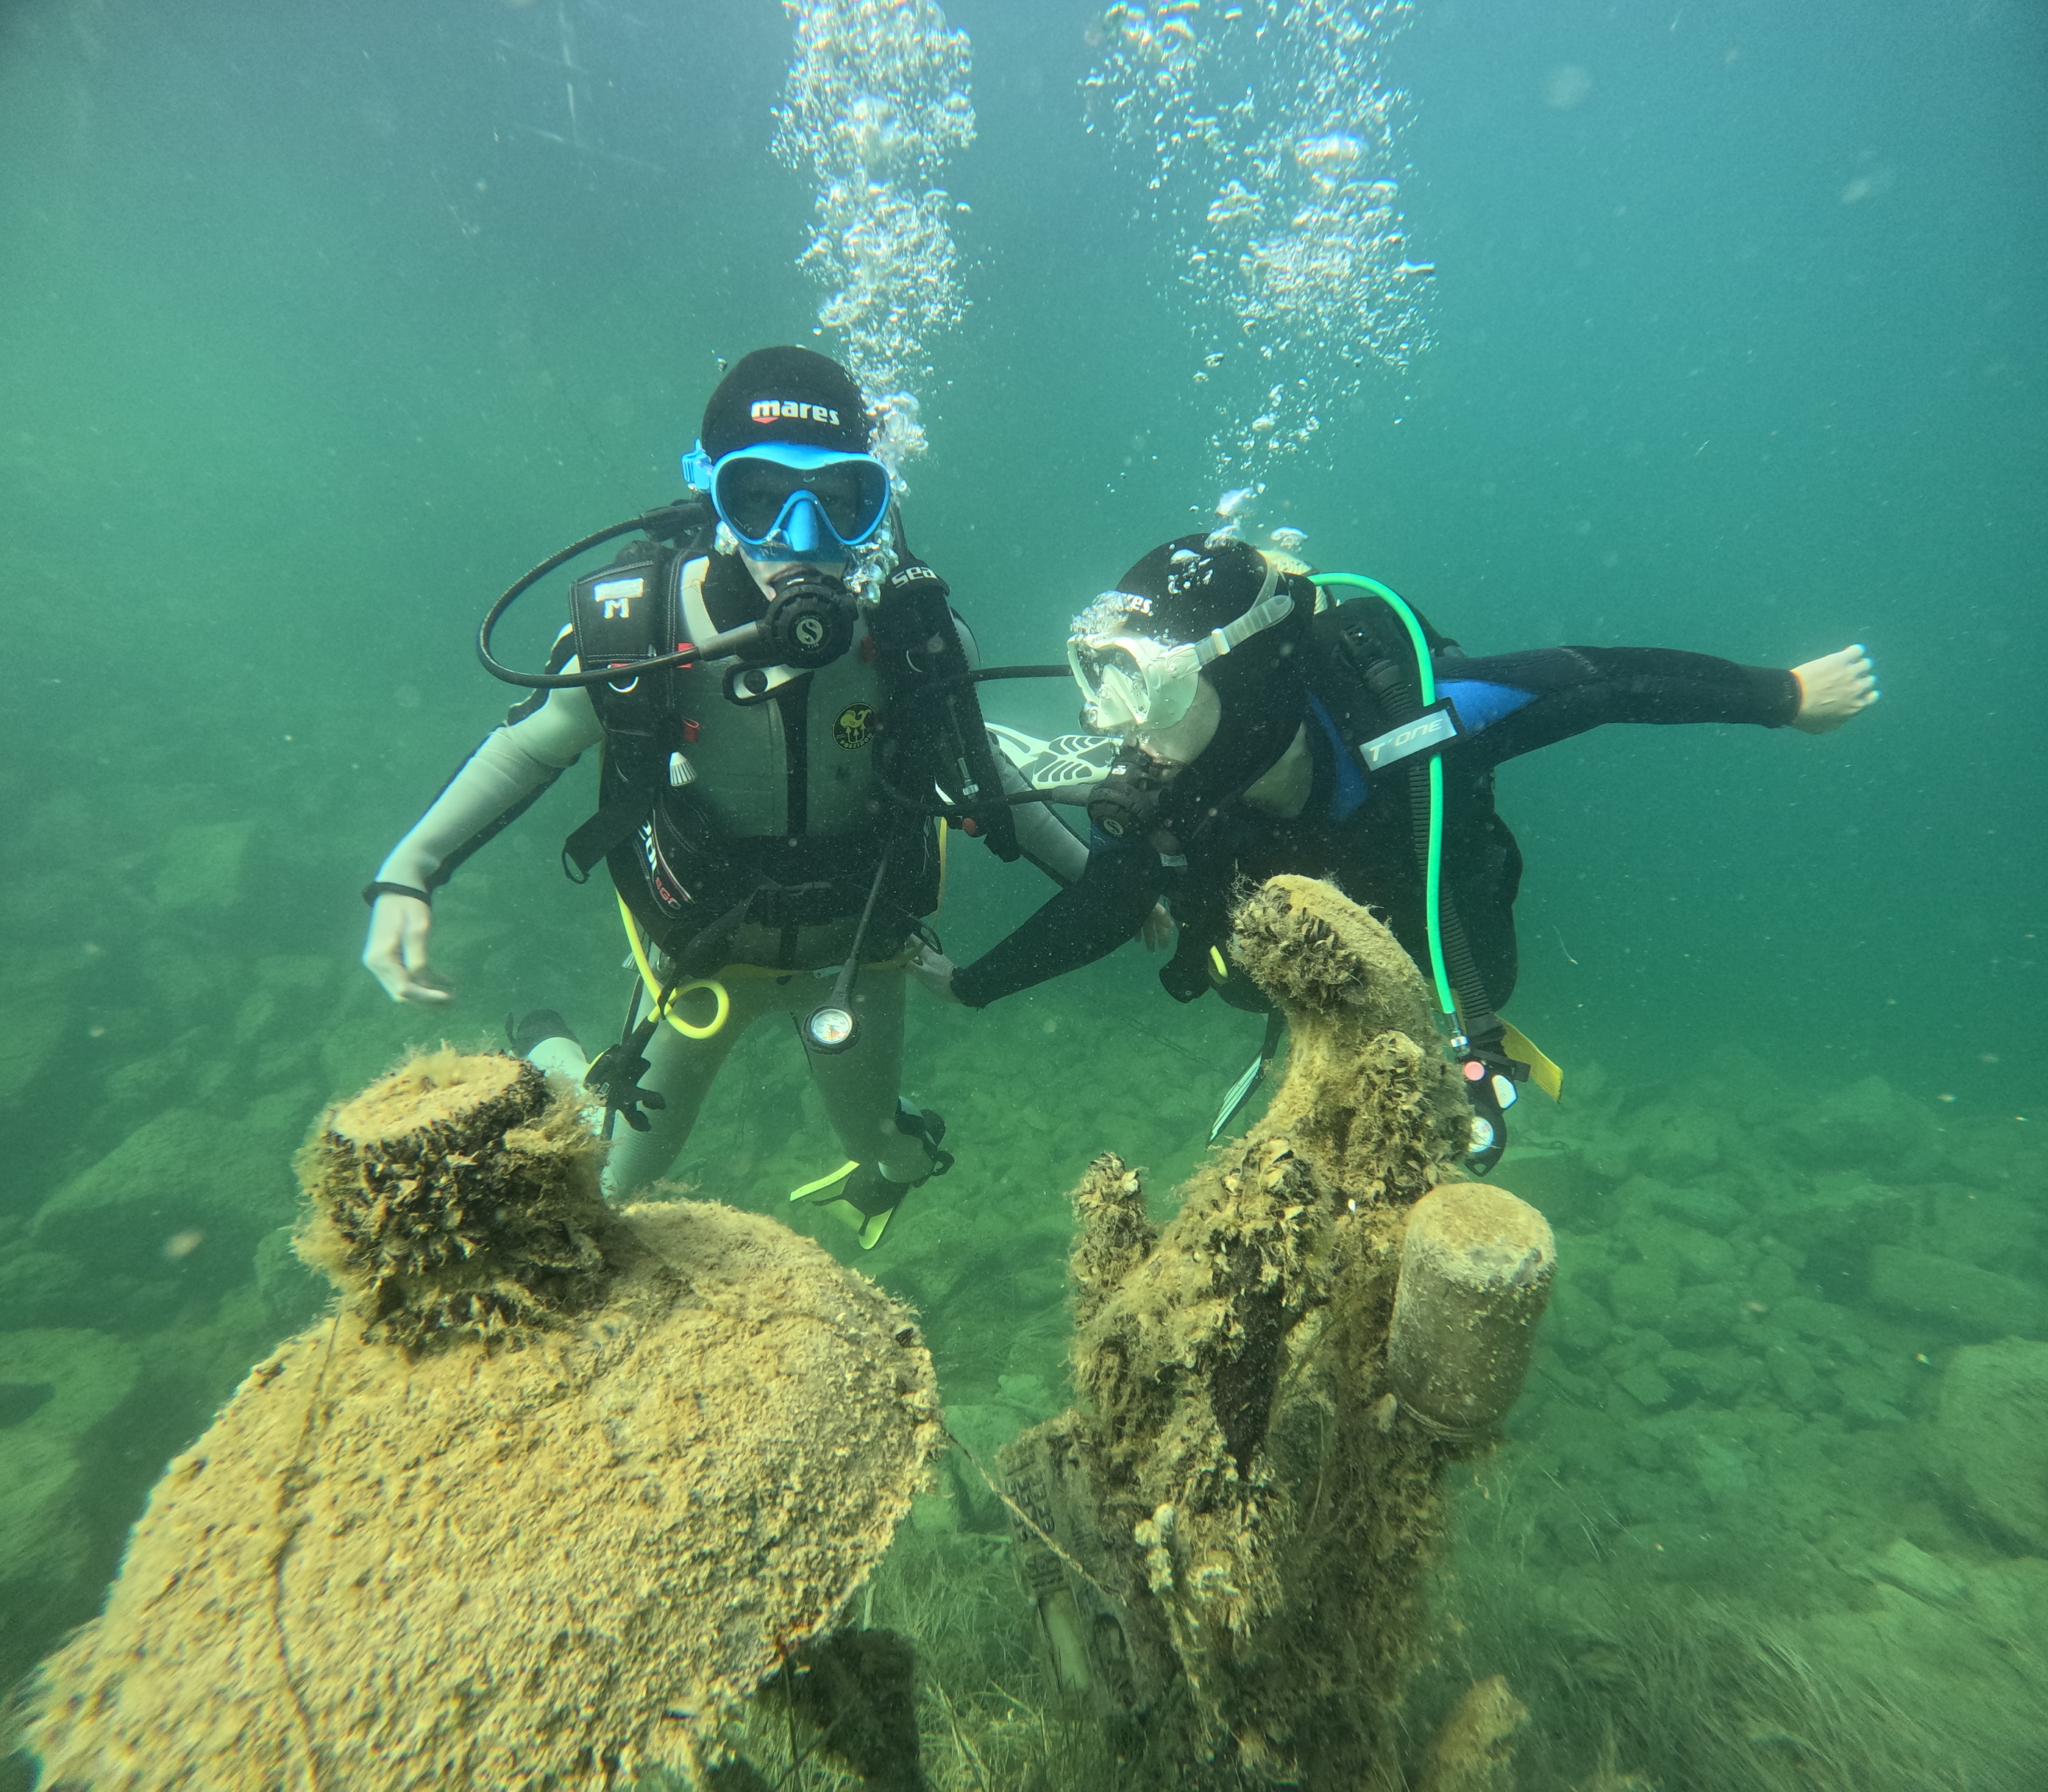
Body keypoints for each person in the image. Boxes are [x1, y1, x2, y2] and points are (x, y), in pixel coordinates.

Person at [360, 346, 1092, 1245]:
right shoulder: (639, 635)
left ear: (878, 502)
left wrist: (1097, 884)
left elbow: (988, 770)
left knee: (891, 1152)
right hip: (697, 961)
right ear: (708, 492)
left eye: (839, 501)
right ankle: (549, 1044)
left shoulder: (915, 638)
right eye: (761, 497)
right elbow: (525, 753)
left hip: (853, 958)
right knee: (615, 1175)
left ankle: (886, 1165)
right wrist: (409, 870)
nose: (802, 536)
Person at [913, 532, 1878, 1169]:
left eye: (1148, 693)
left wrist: (1782, 696)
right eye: (1104, 685)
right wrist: (970, 983)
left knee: (1454, 1021)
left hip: (1436, 946)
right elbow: (1099, 905)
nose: (1127, 732)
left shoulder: (1408, 714)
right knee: (1225, 971)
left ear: (1247, 684)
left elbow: (1597, 679)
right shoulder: (1178, 783)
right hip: (1269, 959)